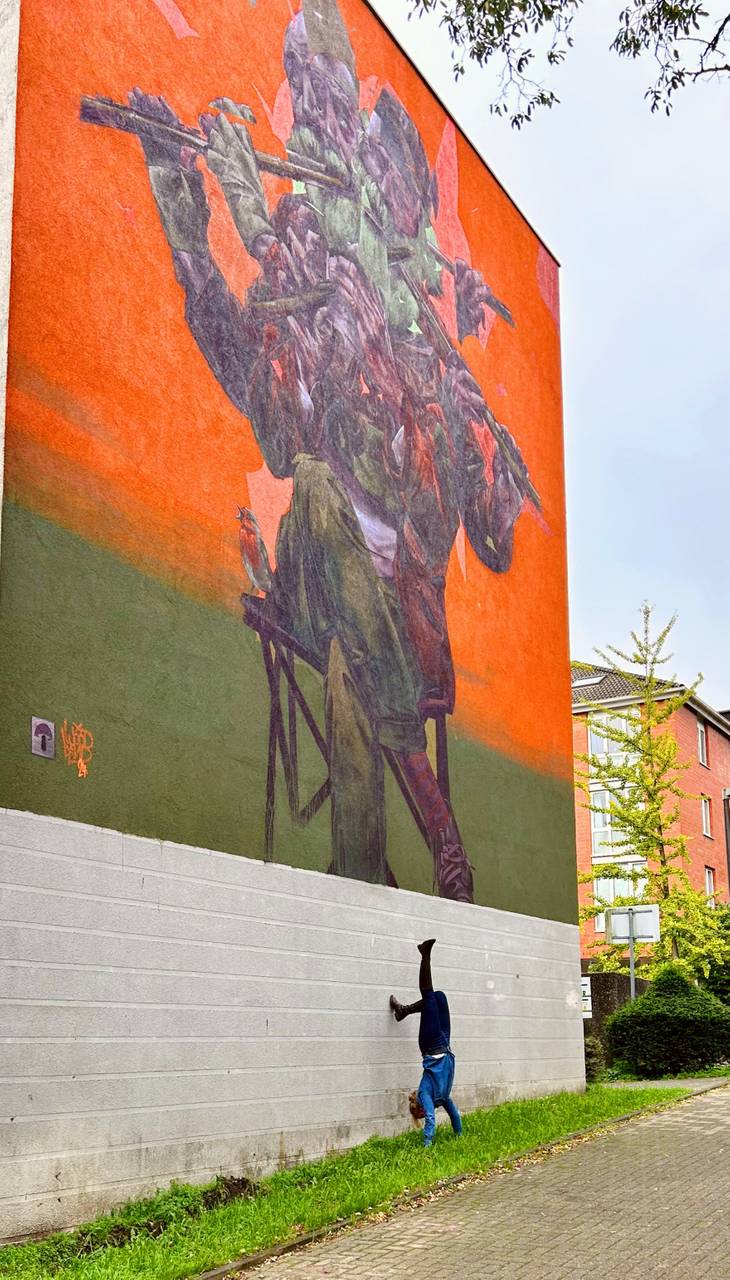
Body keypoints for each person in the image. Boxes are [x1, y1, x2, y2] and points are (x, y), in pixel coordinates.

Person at [123, 0, 531, 900]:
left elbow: (485, 533)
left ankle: (367, 880)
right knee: (311, 485)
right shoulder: (314, 276)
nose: (319, 113)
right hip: (314, 577)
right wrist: (189, 210)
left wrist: (491, 453)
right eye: (303, 86)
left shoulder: (422, 347)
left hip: (399, 630)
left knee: (353, 649)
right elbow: (271, 407)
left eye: (384, 169)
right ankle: (433, 814)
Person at [390, 938, 462, 1147]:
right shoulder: (443, 1098)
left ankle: (425, 955)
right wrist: (459, 1136)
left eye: (420, 1113)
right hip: (445, 1044)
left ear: (419, 1108)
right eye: (423, 1115)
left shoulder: (424, 1093)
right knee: (439, 998)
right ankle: (403, 1011)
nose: (427, 1113)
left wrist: (427, 1145)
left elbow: (431, 1119)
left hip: (431, 1045)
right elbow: (454, 1114)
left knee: (430, 996)